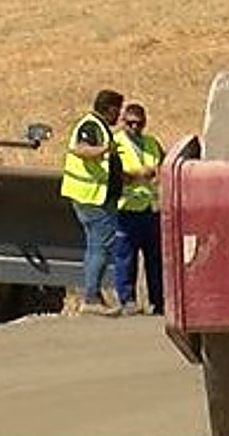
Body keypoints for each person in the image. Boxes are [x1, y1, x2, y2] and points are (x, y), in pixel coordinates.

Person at [60, 88, 125, 317]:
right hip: (91, 198)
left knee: (93, 247)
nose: (120, 116)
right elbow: (81, 149)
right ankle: (91, 297)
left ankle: (92, 294)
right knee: (101, 246)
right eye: (118, 109)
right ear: (109, 109)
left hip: (96, 197)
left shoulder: (101, 128)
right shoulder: (91, 126)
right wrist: (104, 150)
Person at [112, 103, 165, 316]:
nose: (135, 127)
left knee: (155, 259)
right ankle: (127, 300)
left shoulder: (152, 143)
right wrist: (142, 173)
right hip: (125, 211)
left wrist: (148, 173)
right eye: (130, 122)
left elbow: (162, 169)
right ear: (123, 121)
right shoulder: (115, 144)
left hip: (149, 209)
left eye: (139, 123)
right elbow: (118, 176)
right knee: (125, 259)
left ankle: (158, 301)